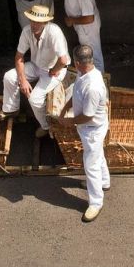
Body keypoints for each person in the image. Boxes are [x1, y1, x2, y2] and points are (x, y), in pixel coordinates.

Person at [51, 45, 109, 223]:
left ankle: (96, 202)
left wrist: (69, 121)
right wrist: (65, 108)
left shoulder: (93, 87)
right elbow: (76, 93)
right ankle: (104, 182)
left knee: (90, 164)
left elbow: (88, 116)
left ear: (77, 63)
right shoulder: (86, 73)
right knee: (97, 156)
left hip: (92, 129)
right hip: (89, 128)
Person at [0, 4, 70, 138]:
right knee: (9, 77)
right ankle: (11, 109)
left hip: (55, 69)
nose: (34, 25)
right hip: (36, 65)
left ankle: (45, 127)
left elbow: (63, 60)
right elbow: (19, 57)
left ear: (45, 22)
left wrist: (54, 70)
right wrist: (22, 80)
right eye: (32, 21)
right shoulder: (27, 31)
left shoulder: (54, 32)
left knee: (34, 99)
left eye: (38, 22)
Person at [62, 0, 104, 72]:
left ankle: (101, 82)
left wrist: (72, 20)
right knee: (90, 53)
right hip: (82, 26)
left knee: (94, 56)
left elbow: (89, 18)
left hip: (87, 28)